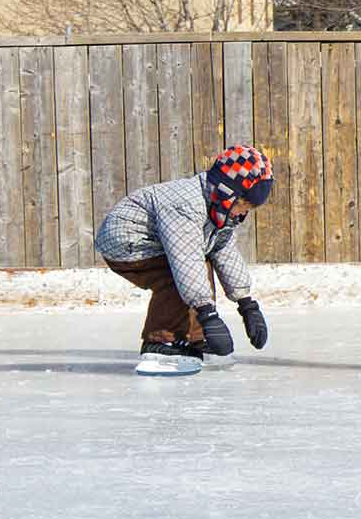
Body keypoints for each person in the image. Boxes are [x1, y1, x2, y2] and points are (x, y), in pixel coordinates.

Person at [94, 144, 276, 377]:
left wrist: (247, 304)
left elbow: (223, 251)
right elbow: (185, 258)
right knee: (177, 273)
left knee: (201, 262)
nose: (242, 213)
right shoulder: (185, 204)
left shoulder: (218, 208)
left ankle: (194, 340)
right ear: (226, 191)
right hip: (125, 239)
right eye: (243, 205)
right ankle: (161, 343)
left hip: (154, 241)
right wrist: (209, 316)